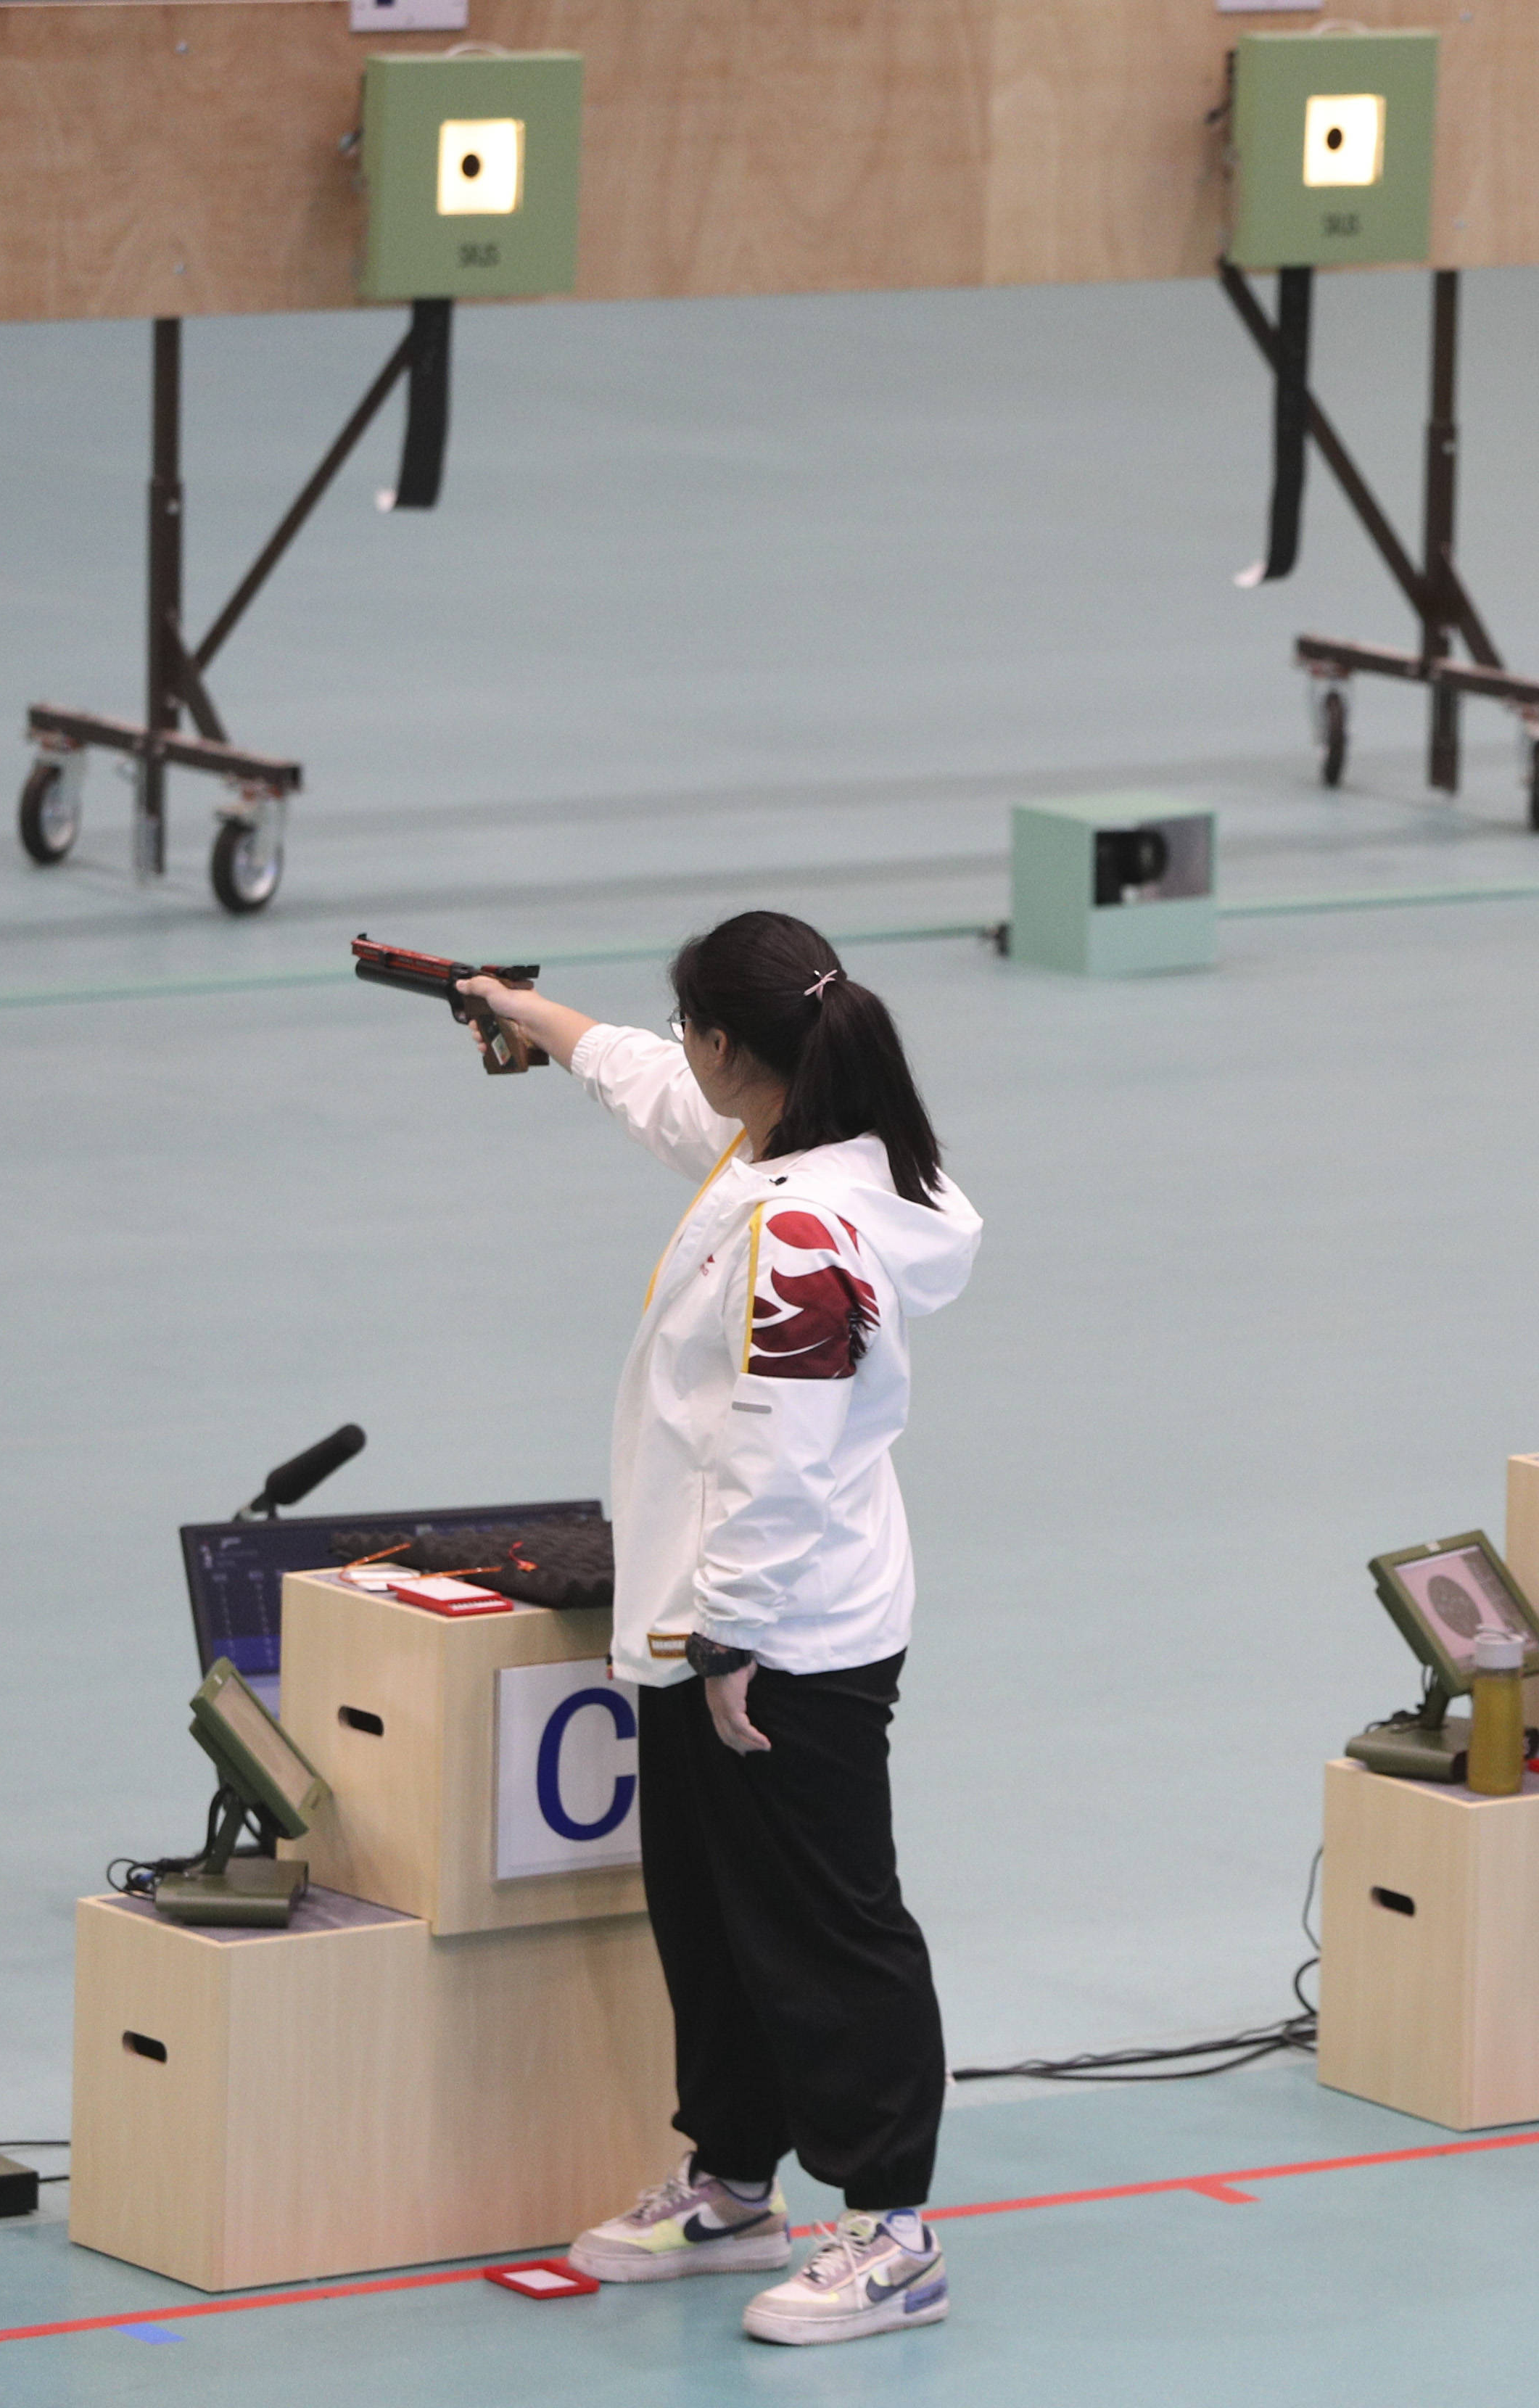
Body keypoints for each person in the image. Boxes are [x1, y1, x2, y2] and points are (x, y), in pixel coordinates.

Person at [453, 912, 982, 2341]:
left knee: (826, 1929)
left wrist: (733, 1637)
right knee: (709, 1916)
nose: (677, 1054)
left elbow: (783, 1450)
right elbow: (660, 1092)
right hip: (706, 1624)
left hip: (780, 1643)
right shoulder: (786, 1152)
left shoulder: (803, 1229)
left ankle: (893, 2233)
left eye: (689, 1028)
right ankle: (734, 2183)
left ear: (736, 1046)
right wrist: (536, 1017)